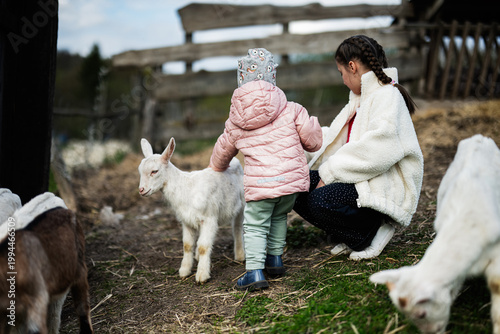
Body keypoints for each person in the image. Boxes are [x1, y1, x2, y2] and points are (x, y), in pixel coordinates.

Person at [293, 35, 424, 260]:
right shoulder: (360, 98)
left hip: (382, 182)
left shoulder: (387, 96)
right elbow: (338, 140)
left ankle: (371, 231)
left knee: (320, 200)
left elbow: (378, 149)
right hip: (360, 178)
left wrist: (330, 172)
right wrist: (299, 140)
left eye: (341, 72)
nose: (343, 80)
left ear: (352, 67)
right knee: (295, 186)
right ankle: (353, 234)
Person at [209, 48, 323, 291]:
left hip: (261, 186)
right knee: (279, 216)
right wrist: (313, 125)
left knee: (255, 224)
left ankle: (255, 272)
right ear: (272, 77)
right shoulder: (293, 108)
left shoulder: (236, 120)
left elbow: (223, 151)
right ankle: (275, 260)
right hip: (290, 186)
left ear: (241, 81)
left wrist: (215, 167)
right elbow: (313, 142)